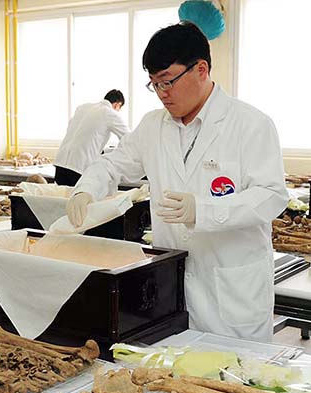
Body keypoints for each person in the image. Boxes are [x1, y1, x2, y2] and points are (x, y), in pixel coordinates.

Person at [66, 22, 287, 341]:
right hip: (170, 289)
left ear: (201, 69)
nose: (162, 94)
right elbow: (113, 162)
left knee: (234, 381)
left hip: (232, 291)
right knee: (173, 377)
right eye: (154, 85)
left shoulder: (250, 124)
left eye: (168, 81)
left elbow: (271, 196)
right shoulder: (153, 126)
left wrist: (205, 210)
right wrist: (86, 188)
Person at [54, 90, 129, 186]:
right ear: (117, 104)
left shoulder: (82, 107)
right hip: (79, 167)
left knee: (64, 199)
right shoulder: (109, 113)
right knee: (82, 199)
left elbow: (73, 129)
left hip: (60, 163)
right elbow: (128, 137)